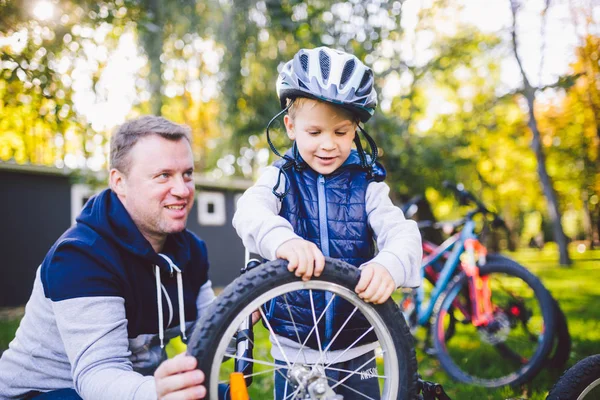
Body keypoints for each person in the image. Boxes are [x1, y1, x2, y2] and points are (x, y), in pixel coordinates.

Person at [232, 47, 422, 399]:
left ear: (355, 131)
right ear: (290, 126)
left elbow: (403, 234)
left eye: (341, 132)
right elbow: (249, 211)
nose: (327, 145)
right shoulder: (280, 178)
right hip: (293, 351)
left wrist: (389, 265)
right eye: (315, 131)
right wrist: (283, 240)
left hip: (358, 345)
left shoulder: (368, 186)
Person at [0, 116, 211, 399]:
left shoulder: (190, 250)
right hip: (43, 391)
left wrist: (246, 312)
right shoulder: (80, 257)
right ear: (119, 182)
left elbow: (212, 336)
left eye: (187, 174)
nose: (183, 190)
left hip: (132, 385)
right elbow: (98, 375)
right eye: (163, 175)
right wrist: (156, 392)